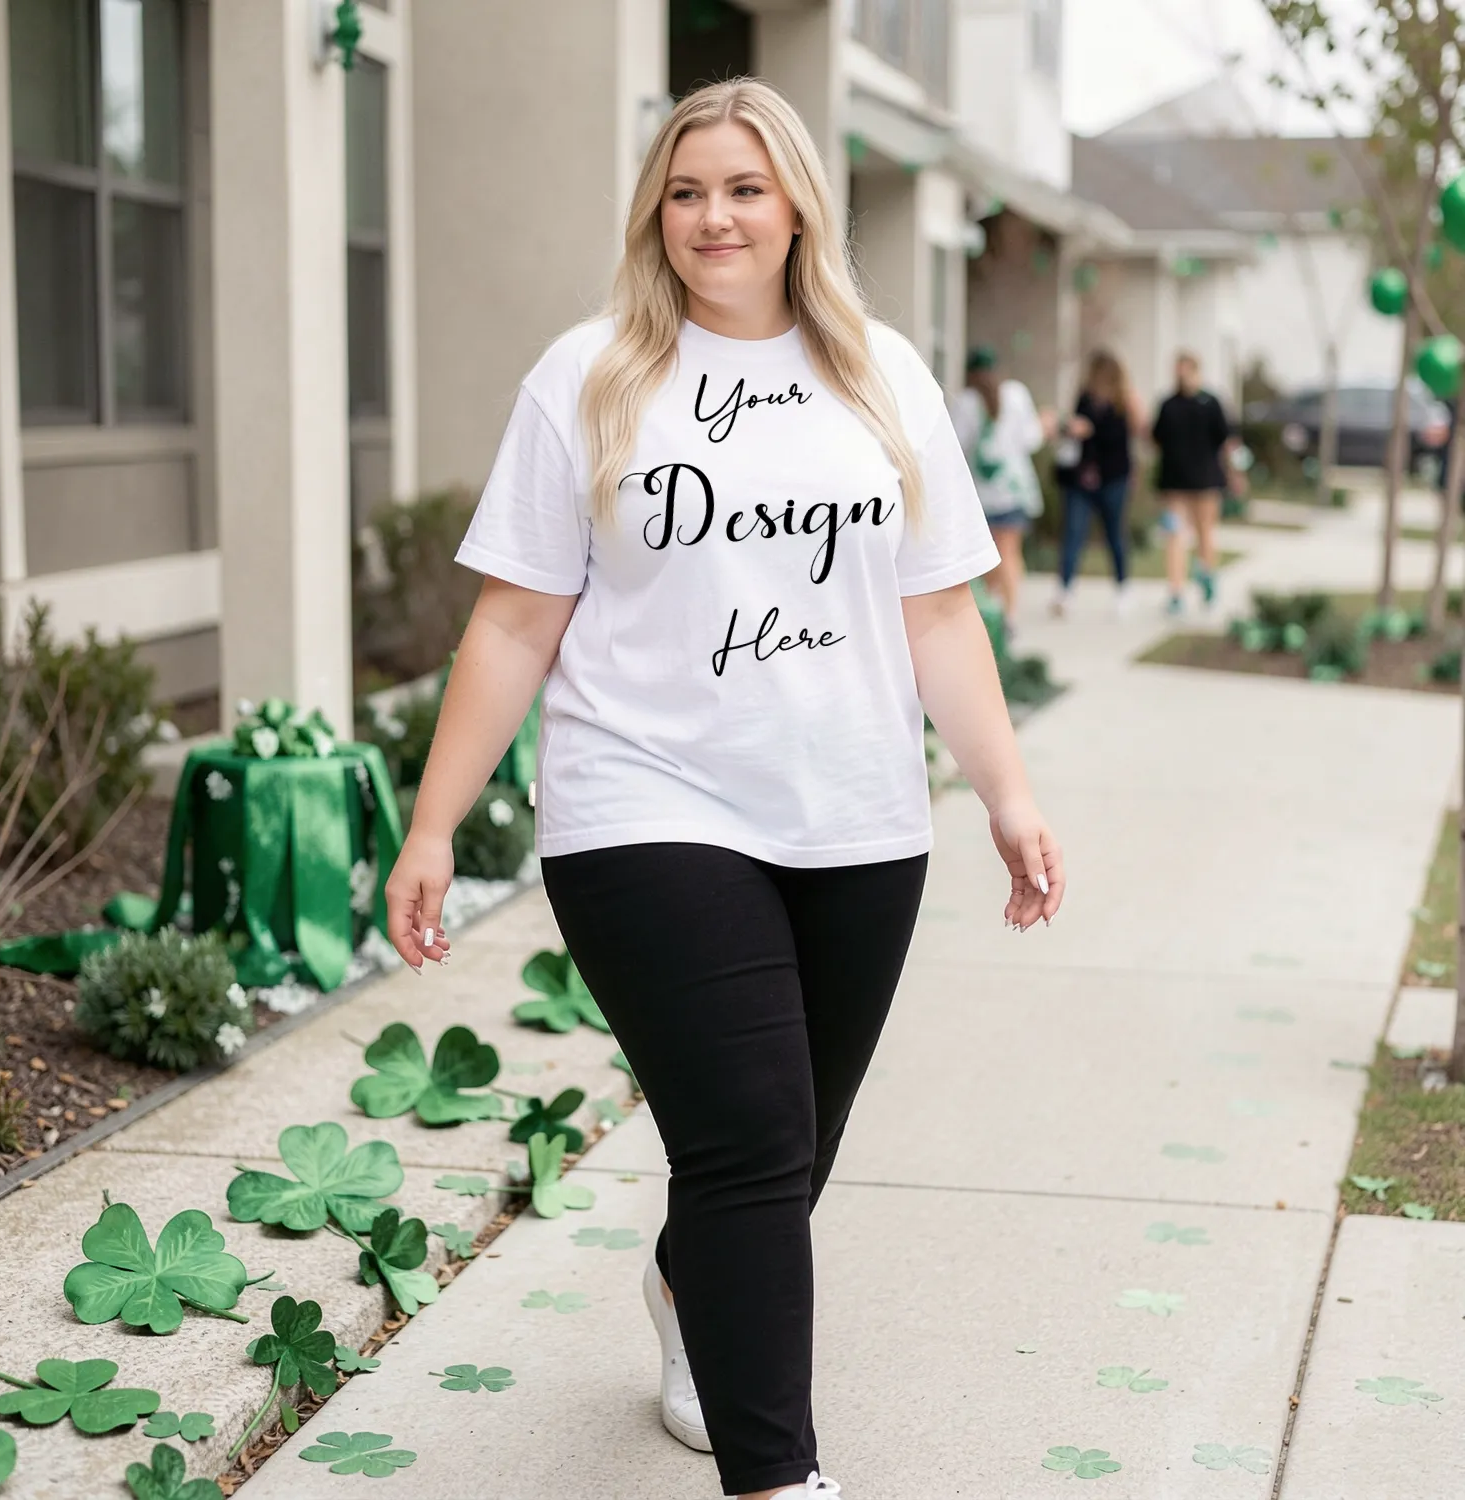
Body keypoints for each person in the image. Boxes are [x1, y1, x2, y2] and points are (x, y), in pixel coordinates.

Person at [383, 78, 1065, 1500]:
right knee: (751, 1132)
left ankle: (694, 1290)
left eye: (745, 188)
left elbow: (940, 614)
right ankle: (778, 1477)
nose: (714, 217)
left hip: (856, 814)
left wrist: (1006, 794)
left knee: (784, 1143)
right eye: (687, 191)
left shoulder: (883, 377)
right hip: (645, 805)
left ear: (799, 203)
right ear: (656, 212)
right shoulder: (588, 377)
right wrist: (436, 821)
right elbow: (514, 623)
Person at [948, 347, 1048, 635]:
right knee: (1010, 552)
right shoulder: (1016, 395)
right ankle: (1010, 613)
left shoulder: (966, 402)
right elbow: (1032, 439)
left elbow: (955, 445)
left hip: (982, 494)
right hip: (1014, 489)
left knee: (989, 554)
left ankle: (993, 609)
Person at [1053, 348, 1145, 618]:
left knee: (1115, 535)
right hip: (1081, 479)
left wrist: (1092, 429)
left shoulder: (1125, 403)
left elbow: (1129, 436)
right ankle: (1065, 591)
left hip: (1113, 478)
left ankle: (1123, 589)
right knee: (1073, 534)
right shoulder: (1084, 399)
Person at [1152, 352, 1242, 613]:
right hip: (1175, 482)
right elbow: (1157, 439)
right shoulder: (1168, 404)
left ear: (1196, 372)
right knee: (1175, 536)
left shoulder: (1211, 403)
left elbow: (1227, 441)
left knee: (1205, 532)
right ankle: (1176, 591)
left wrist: (1236, 473)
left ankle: (1206, 574)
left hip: (1206, 480)